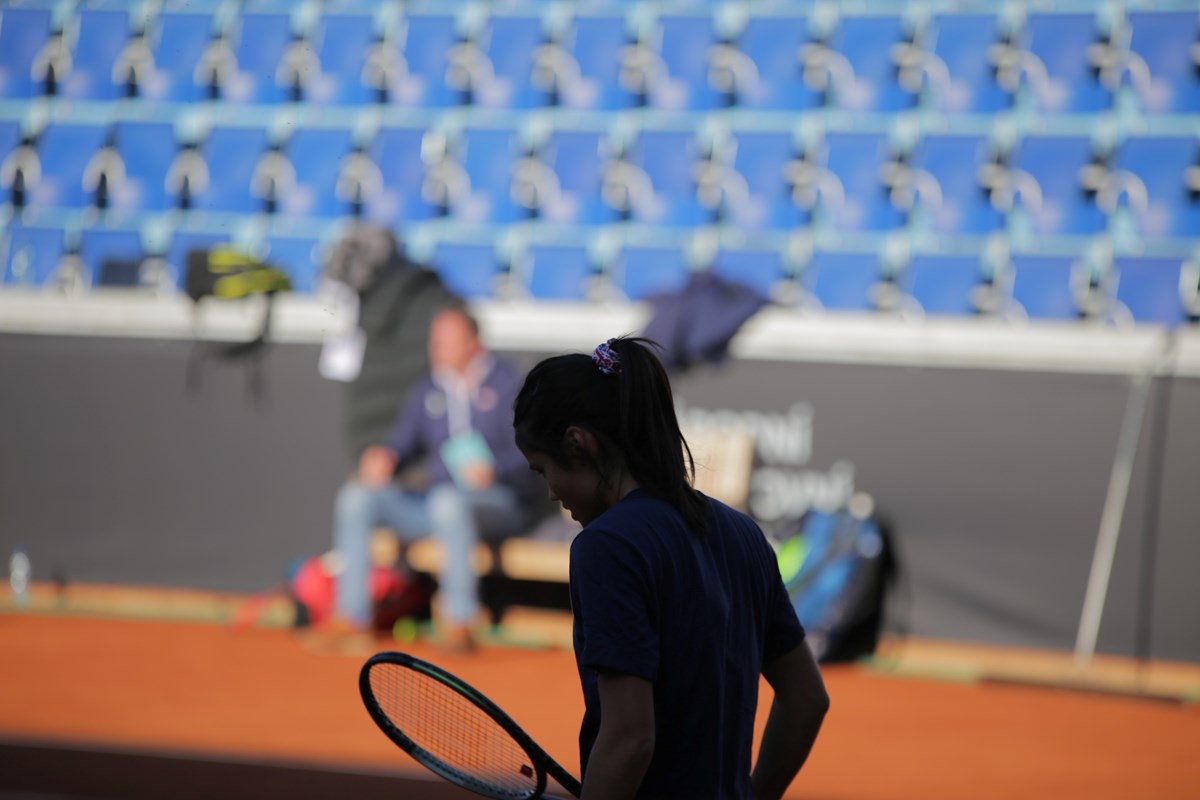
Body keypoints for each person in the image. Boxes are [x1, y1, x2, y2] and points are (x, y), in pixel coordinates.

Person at [513, 336, 829, 800]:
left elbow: (630, 738)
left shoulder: (604, 547)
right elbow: (807, 698)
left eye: (543, 471)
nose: (551, 493)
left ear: (578, 444)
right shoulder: (744, 534)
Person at [331, 308, 541, 651]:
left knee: (449, 502)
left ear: (474, 343)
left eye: (446, 341)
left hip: (498, 502)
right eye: (434, 341)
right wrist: (386, 457)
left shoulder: (506, 384)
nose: (436, 349)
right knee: (357, 498)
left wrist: (495, 470)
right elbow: (402, 442)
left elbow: (531, 451)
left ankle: (460, 620)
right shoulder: (428, 387)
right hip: (438, 504)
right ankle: (352, 617)